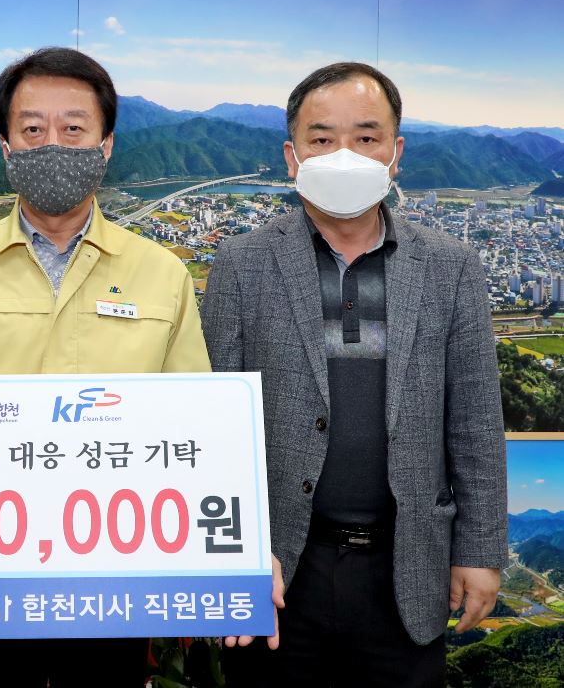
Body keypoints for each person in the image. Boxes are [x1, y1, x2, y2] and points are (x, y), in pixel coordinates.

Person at [0, 47, 211, 687]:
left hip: (117, 577)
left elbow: (194, 427)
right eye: (33, 129)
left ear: (106, 145)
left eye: (74, 128)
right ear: (6, 146)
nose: (53, 144)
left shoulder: (163, 274)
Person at [201, 62, 507, 687]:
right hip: (279, 564)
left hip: (407, 564)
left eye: (366, 137)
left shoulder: (450, 265)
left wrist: (479, 551)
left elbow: (475, 421)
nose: (344, 154)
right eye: (322, 138)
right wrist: (230, 551)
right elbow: (213, 422)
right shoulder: (242, 262)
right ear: (291, 156)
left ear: (397, 152)